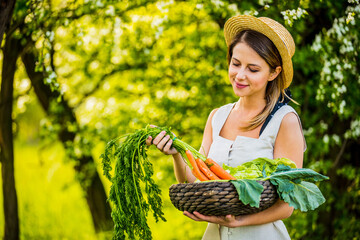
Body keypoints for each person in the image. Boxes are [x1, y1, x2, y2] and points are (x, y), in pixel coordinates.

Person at [146, 15, 306, 240]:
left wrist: (239, 221)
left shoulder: (284, 120)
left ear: (274, 72)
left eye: (253, 69)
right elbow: (196, 181)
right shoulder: (217, 117)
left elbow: (287, 205)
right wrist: (176, 154)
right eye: (236, 64)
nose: (240, 76)